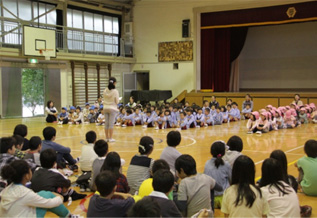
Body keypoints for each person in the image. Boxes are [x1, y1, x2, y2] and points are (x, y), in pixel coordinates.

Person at [0, 160, 69, 218]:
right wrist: (60, 198)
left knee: (43, 194)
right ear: (26, 176)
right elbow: (49, 203)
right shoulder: (25, 193)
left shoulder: (6, 190)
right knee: (46, 195)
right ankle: (69, 216)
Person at [204, 141, 231, 209]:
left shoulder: (207, 164)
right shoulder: (226, 164)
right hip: (224, 198)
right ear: (223, 153)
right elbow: (232, 180)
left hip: (211, 199)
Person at [103, 77, 119, 142]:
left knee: (106, 123)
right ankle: (110, 138)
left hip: (105, 107)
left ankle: (106, 138)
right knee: (111, 124)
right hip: (112, 108)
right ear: (114, 83)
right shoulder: (115, 91)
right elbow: (117, 101)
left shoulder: (105, 90)